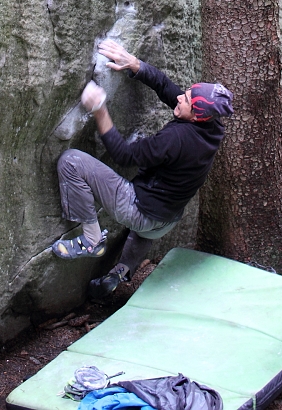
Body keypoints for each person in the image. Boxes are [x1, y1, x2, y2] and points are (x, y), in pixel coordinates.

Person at [51, 39, 234, 300]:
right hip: (167, 221)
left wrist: (99, 110)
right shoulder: (211, 126)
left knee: (70, 161)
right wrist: (134, 63)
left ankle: (91, 240)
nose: (179, 97)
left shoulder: (176, 139)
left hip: (140, 211)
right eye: (186, 93)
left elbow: (124, 156)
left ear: (196, 115)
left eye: (186, 99)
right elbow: (167, 87)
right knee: (147, 224)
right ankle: (121, 271)